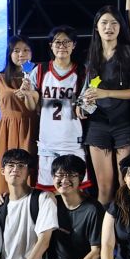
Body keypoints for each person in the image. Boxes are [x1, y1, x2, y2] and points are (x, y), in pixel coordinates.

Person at [81, 2, 130, 205]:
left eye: (114, 23)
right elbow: (89, 86)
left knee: (126, 185)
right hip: (98, 123)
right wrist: (82, 104)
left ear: (120, 27)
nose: (109, 27)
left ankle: (127, 224)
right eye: (104, 23)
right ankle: (104, 226)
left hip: (124, 123)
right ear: (97, 27)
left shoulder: (129, 53)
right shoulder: (91, 54)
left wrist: (105, 93)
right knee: (104, 187)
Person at [33, 27, 87, 183]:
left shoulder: (83, 72)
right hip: (47, 141)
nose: (62, 46)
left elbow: (87, 103)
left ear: (74, 45)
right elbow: (32, 104)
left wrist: (86, 103)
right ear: (51, 45)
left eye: (66, 42)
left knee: (75, 188)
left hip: (72, 140)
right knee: (48, 190)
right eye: (57, 42)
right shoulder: (40, 70)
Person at [0, 39, 39, 189]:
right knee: (7, 173)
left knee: (30, 170)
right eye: (16, 50)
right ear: (9, 54)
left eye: (26, 50)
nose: (21, 54)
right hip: (6, 131)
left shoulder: (38, 77)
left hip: (32, 129)